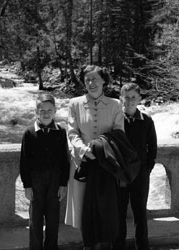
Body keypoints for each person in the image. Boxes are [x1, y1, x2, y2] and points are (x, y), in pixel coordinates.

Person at [65, 65, 124, 250]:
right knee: (84, 207)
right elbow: (72, 131)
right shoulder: (74, 103)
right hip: (82, 163)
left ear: (104, 80)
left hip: (107, 163)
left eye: (95, 79)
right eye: (87, 79)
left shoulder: (115, 104)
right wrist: (84, 151)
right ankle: (87, 245)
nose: (91, 83)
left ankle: (105, 246)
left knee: (106, 207)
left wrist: (100, 149)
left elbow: (119, 133)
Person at [19, 93, 70, 250]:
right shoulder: (29, 133)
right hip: (36, 182)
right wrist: (27, 186)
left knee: (53, 220)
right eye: (42, 111)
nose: (46, 113)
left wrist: (63, 184)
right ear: (36, 112)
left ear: (55, 111)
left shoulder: (61, 132)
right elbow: (24, 161)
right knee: (35, 220)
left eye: (49, 110)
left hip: (55, 181)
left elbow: (65, 161)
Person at [113, 83, 157, 250]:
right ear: (121, 99)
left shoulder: (146, 121)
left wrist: (147, 169)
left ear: (139, 99)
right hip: (121, 174)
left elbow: (152, 147)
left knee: (140, 213)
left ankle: (142, 246)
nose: (130, 100)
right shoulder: (116, 120)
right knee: (119, 213)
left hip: (140, 174)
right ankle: (118, 246)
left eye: (133, 97)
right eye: (126, 97)